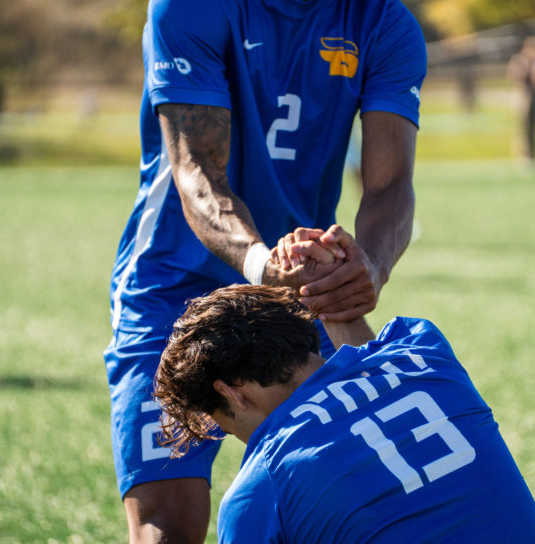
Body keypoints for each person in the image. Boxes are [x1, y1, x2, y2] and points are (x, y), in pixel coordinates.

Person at [103, 0, 426, 541]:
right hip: (172, 284)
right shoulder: (189, 8)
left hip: (299, 289)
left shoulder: (383, 21)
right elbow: (197, 171)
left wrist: (368, 266)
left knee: (366, 492)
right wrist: (259, 264)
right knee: (170, 519)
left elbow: (391, 185)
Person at [153, 283, 535, 544]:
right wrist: (327, 277)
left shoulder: (262, 485)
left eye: (227, 426)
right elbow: (366, 352)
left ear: (232, 394)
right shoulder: (423, 351)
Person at [507, 36, 535, 165]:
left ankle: (533, 155)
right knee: (523, 128)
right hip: (522, 96)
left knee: (534, 127)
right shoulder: (519, 60)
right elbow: (514, 76)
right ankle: (523, 156)